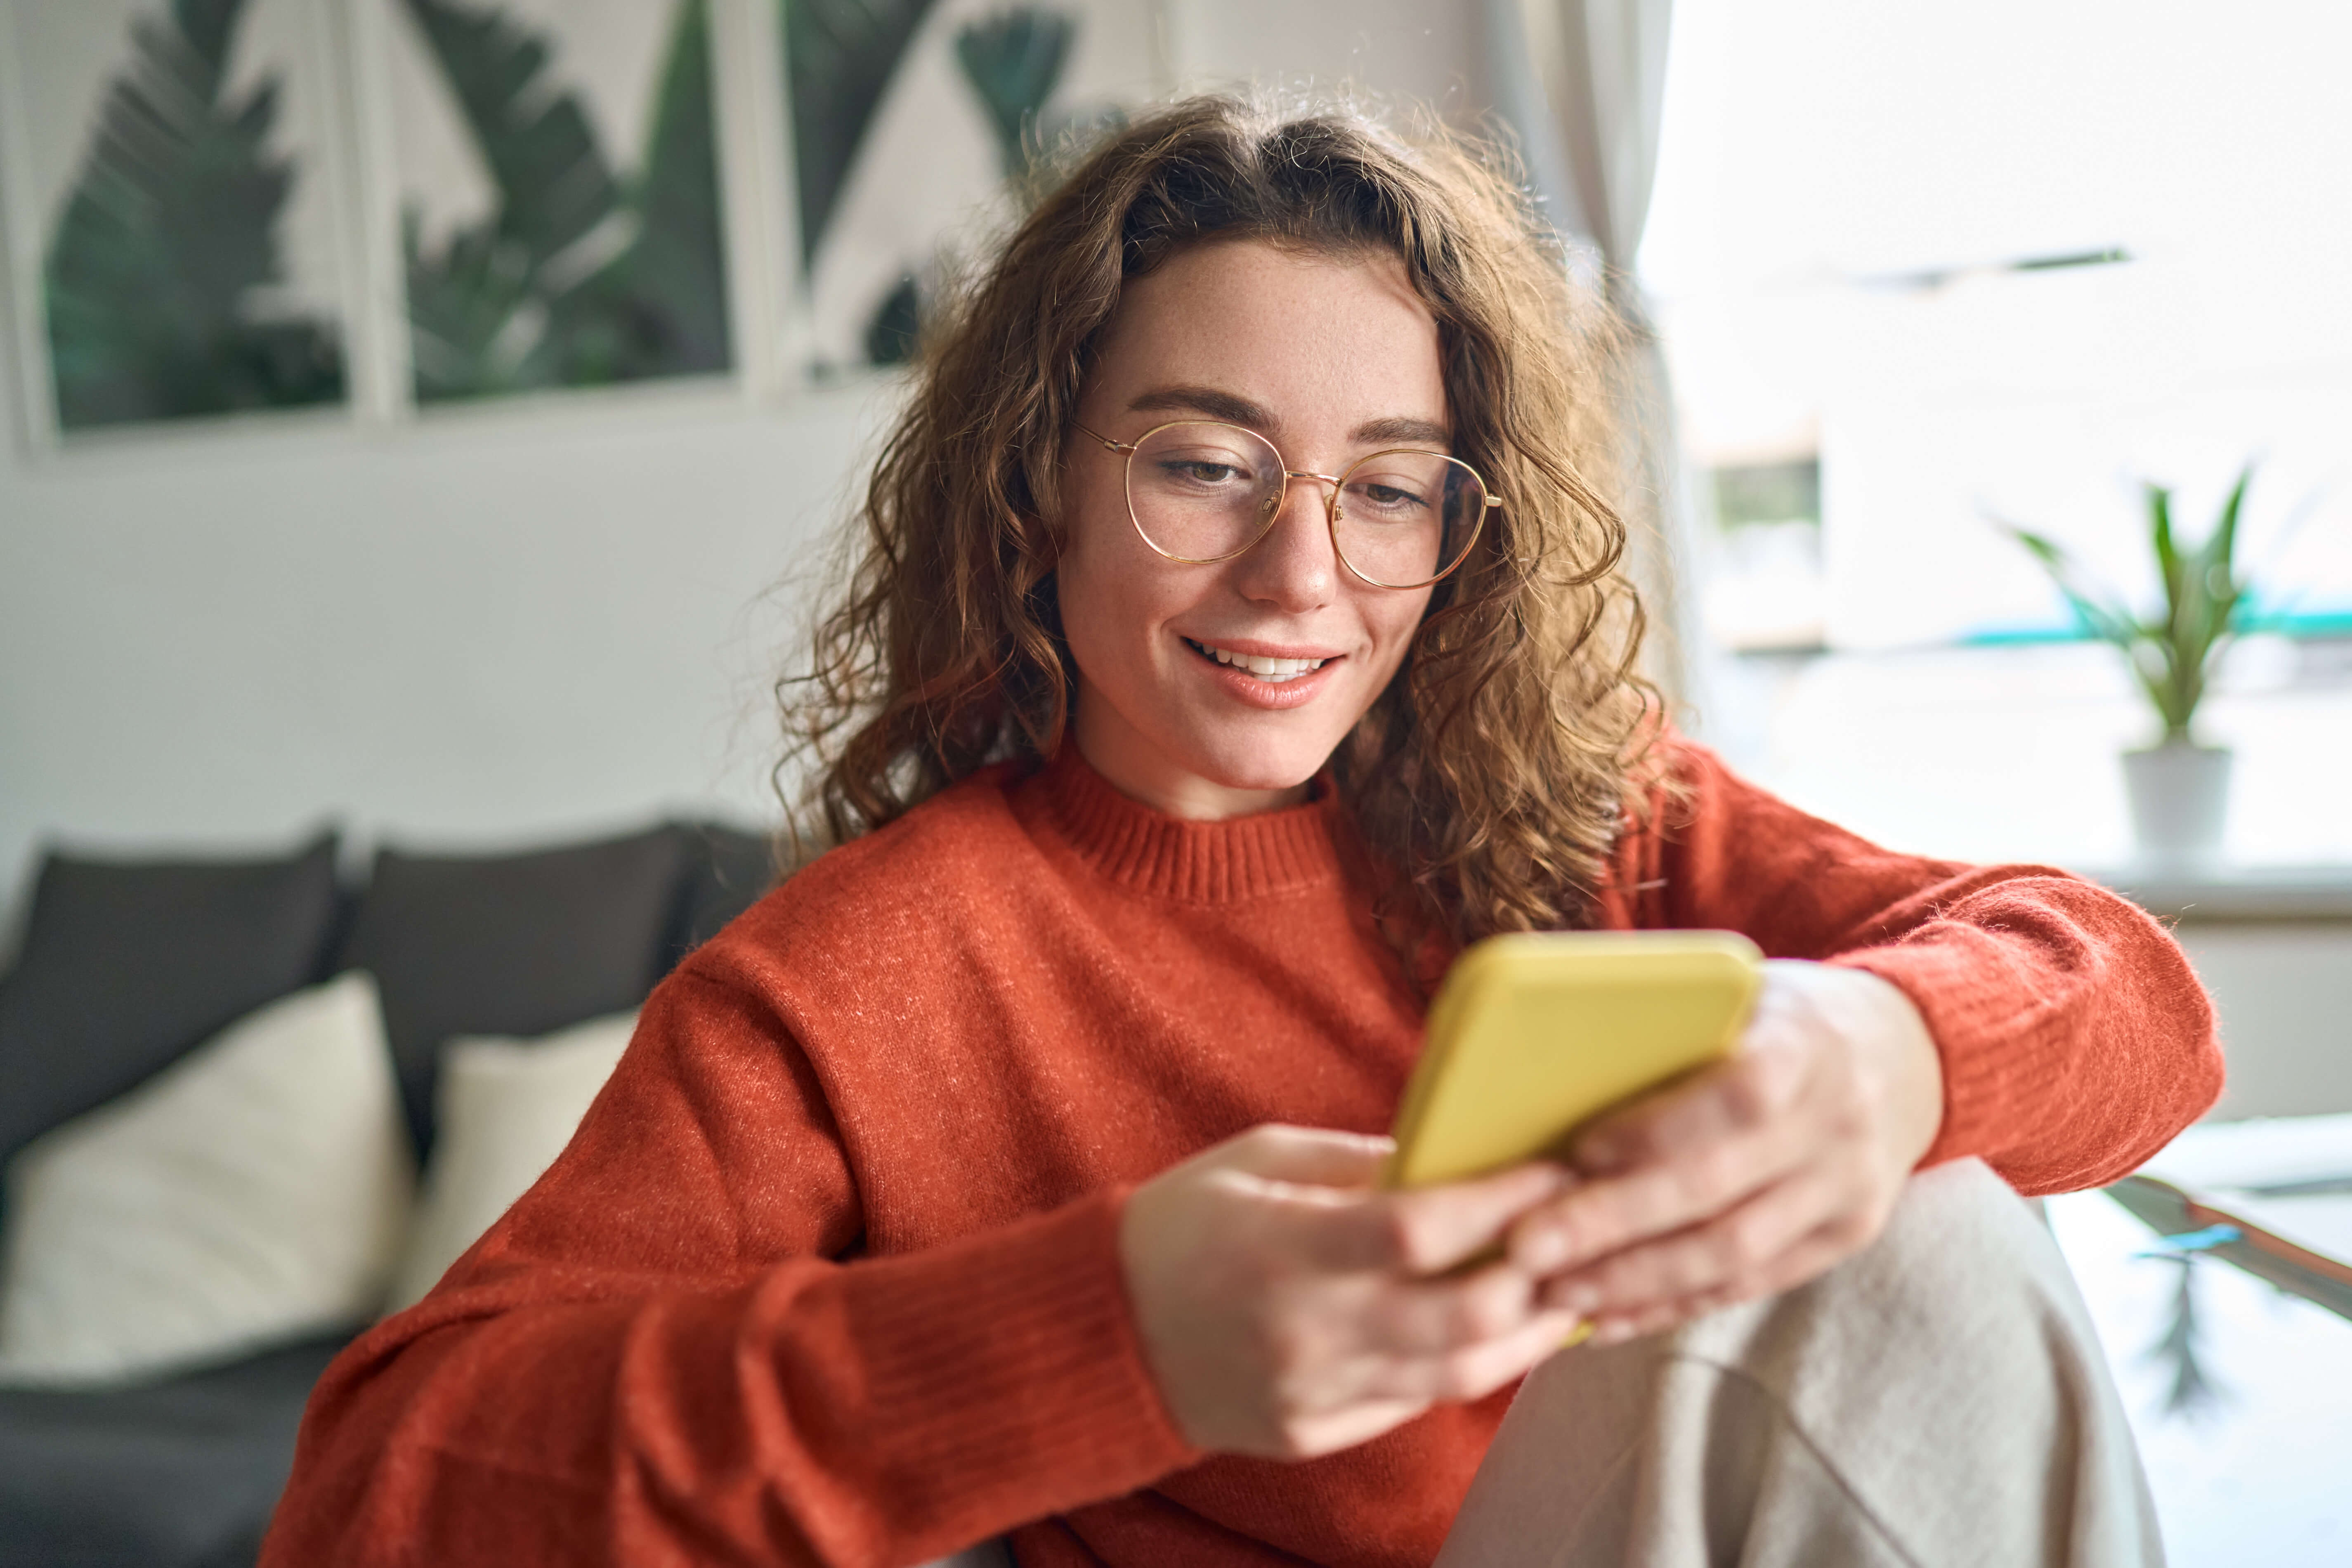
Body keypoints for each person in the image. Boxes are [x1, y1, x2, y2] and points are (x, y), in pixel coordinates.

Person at [261, 97, 2220, 1568]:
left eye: (1390, 488)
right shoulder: (848, 987)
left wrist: (1881, 1052)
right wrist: (1109, 1334)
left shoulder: (1588, 812)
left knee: (1934, 1203)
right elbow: (373, 1493)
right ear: (1035, 479)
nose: (1302, 574)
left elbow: (2134, 1001)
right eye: (1205, 462)